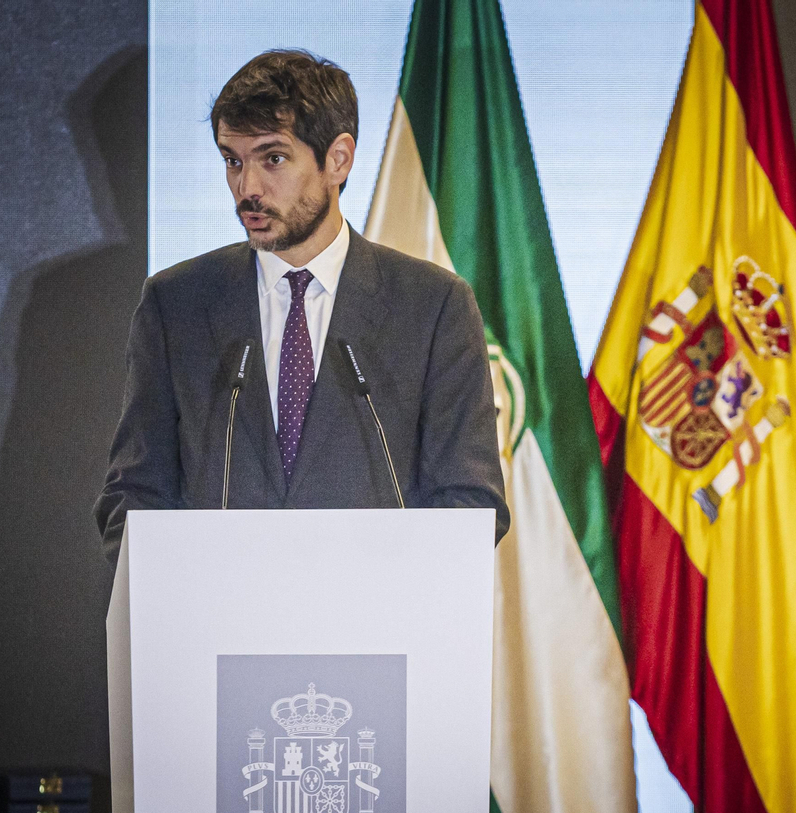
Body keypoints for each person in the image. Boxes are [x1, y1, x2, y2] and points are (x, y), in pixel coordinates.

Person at [95, 49, 508, 564]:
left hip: (376, 628)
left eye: (273, 158)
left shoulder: (434, 306)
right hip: (218, 627)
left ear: (338, 159)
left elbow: (470, 500)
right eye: (233, 160)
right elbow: (134, 494)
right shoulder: (175, 303)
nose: (247, 188)